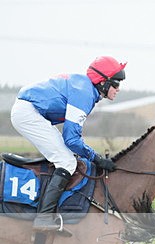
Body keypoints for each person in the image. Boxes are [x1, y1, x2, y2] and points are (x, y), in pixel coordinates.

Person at [10, 56, 126, 231]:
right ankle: (44, 218)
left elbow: (72, 137)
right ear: (103, 82)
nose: (118, 89)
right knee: (67, 162)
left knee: (67, 158)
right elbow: (71, 139)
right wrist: (96, 158)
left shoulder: (86, 88)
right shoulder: (85, 93)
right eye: (116, 84)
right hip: (28, 113)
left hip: (31, 111)